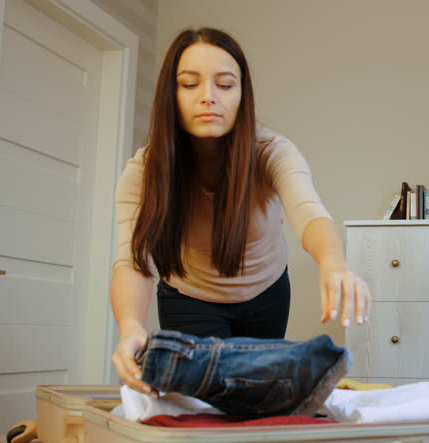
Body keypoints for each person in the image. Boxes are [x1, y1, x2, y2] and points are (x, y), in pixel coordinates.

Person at [109, 27, 371, 396]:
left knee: (254, 398)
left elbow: (308, 211)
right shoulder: (143, 171)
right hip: (189, 296)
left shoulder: (272, 151)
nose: (208, 98)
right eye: (189, 84)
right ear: (171, 94)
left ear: (242, 94)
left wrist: (333, 263)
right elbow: (131, 261)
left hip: (266, 293)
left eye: (225, 85)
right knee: (198, 405)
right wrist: (130, 326)